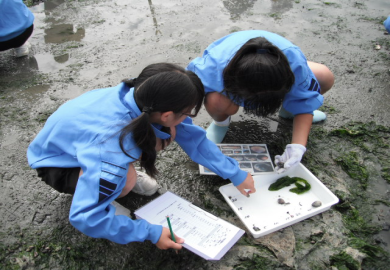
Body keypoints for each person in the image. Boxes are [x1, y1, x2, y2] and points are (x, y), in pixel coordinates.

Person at [27, 63, 255, 250]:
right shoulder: (111, 149)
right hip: (57, 163)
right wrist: (150, 232)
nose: (187, 118)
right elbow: (85, 217)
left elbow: (193, 138)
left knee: (170, 134)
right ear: (166, 115)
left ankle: (117, 181)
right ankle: (106, 191)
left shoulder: (143, 97)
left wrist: (234, 173)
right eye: (186, 113)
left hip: (81, 144)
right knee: (123, 181)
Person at [187, 30, 334, 173]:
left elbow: (305, 100)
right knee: (216, 100)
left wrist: (297, 146)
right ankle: (220, 124)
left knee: (325, 77)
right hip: (229, 68)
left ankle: (289, 111)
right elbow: (185, 97)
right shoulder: (213, 67)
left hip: (286, 63)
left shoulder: (295, 65)